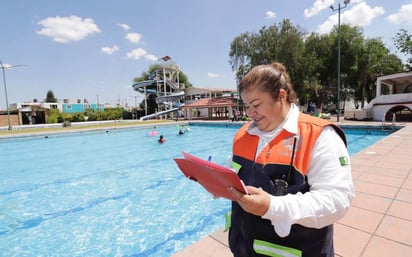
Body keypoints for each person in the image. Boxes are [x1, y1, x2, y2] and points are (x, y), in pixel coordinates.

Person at [227, 62, 354, 257]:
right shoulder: (243, 134)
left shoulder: (319, 136)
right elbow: (233, 173)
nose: (249, 113)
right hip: (243, 248)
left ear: (281, 96)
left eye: (256, 105)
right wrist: (217, 183)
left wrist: (273, 207)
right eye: (246, 106)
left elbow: (336, 201)